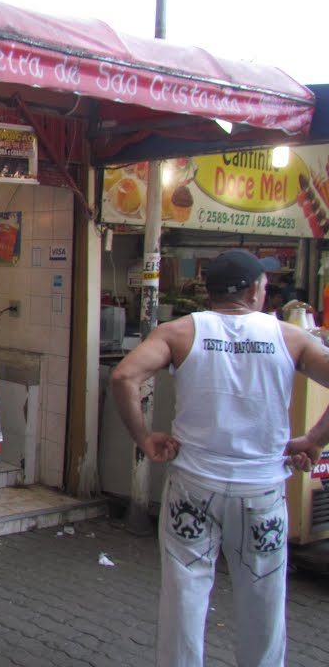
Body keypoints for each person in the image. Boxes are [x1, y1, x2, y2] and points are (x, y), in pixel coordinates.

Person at [110, 248, 329, 667]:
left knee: (185, 593)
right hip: (261, 490)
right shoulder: (289, 336)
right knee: (263, 598)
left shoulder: (179, 333)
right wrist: (314, 440)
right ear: (253, 291)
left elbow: (124, 376)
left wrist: (144, 438)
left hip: (194, 486)